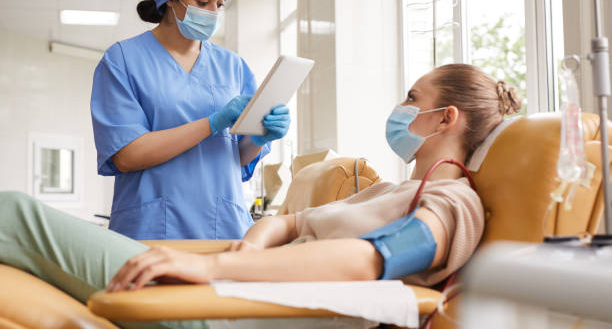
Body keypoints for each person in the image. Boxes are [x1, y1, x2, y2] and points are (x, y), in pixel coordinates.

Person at [0, 64, 520, 328]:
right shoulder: (390, 189)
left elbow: (373, 258)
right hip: (232, 284)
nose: (401, 107)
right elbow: (291, 224)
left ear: (447, 118)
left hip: (245, 309)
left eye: (413, 98)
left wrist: (217, 271)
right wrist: (249, 248)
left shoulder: (456, 202)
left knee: (13, 214)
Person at [90, 0, 290, 240]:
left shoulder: (232, 66)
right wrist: (213, 122)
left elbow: (236, 156)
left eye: (219, 4)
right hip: (151, 229)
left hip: (224, 228)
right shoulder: (123, 60)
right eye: (202, 1)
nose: (213, 11)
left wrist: (259, 140)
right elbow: (126, 155)